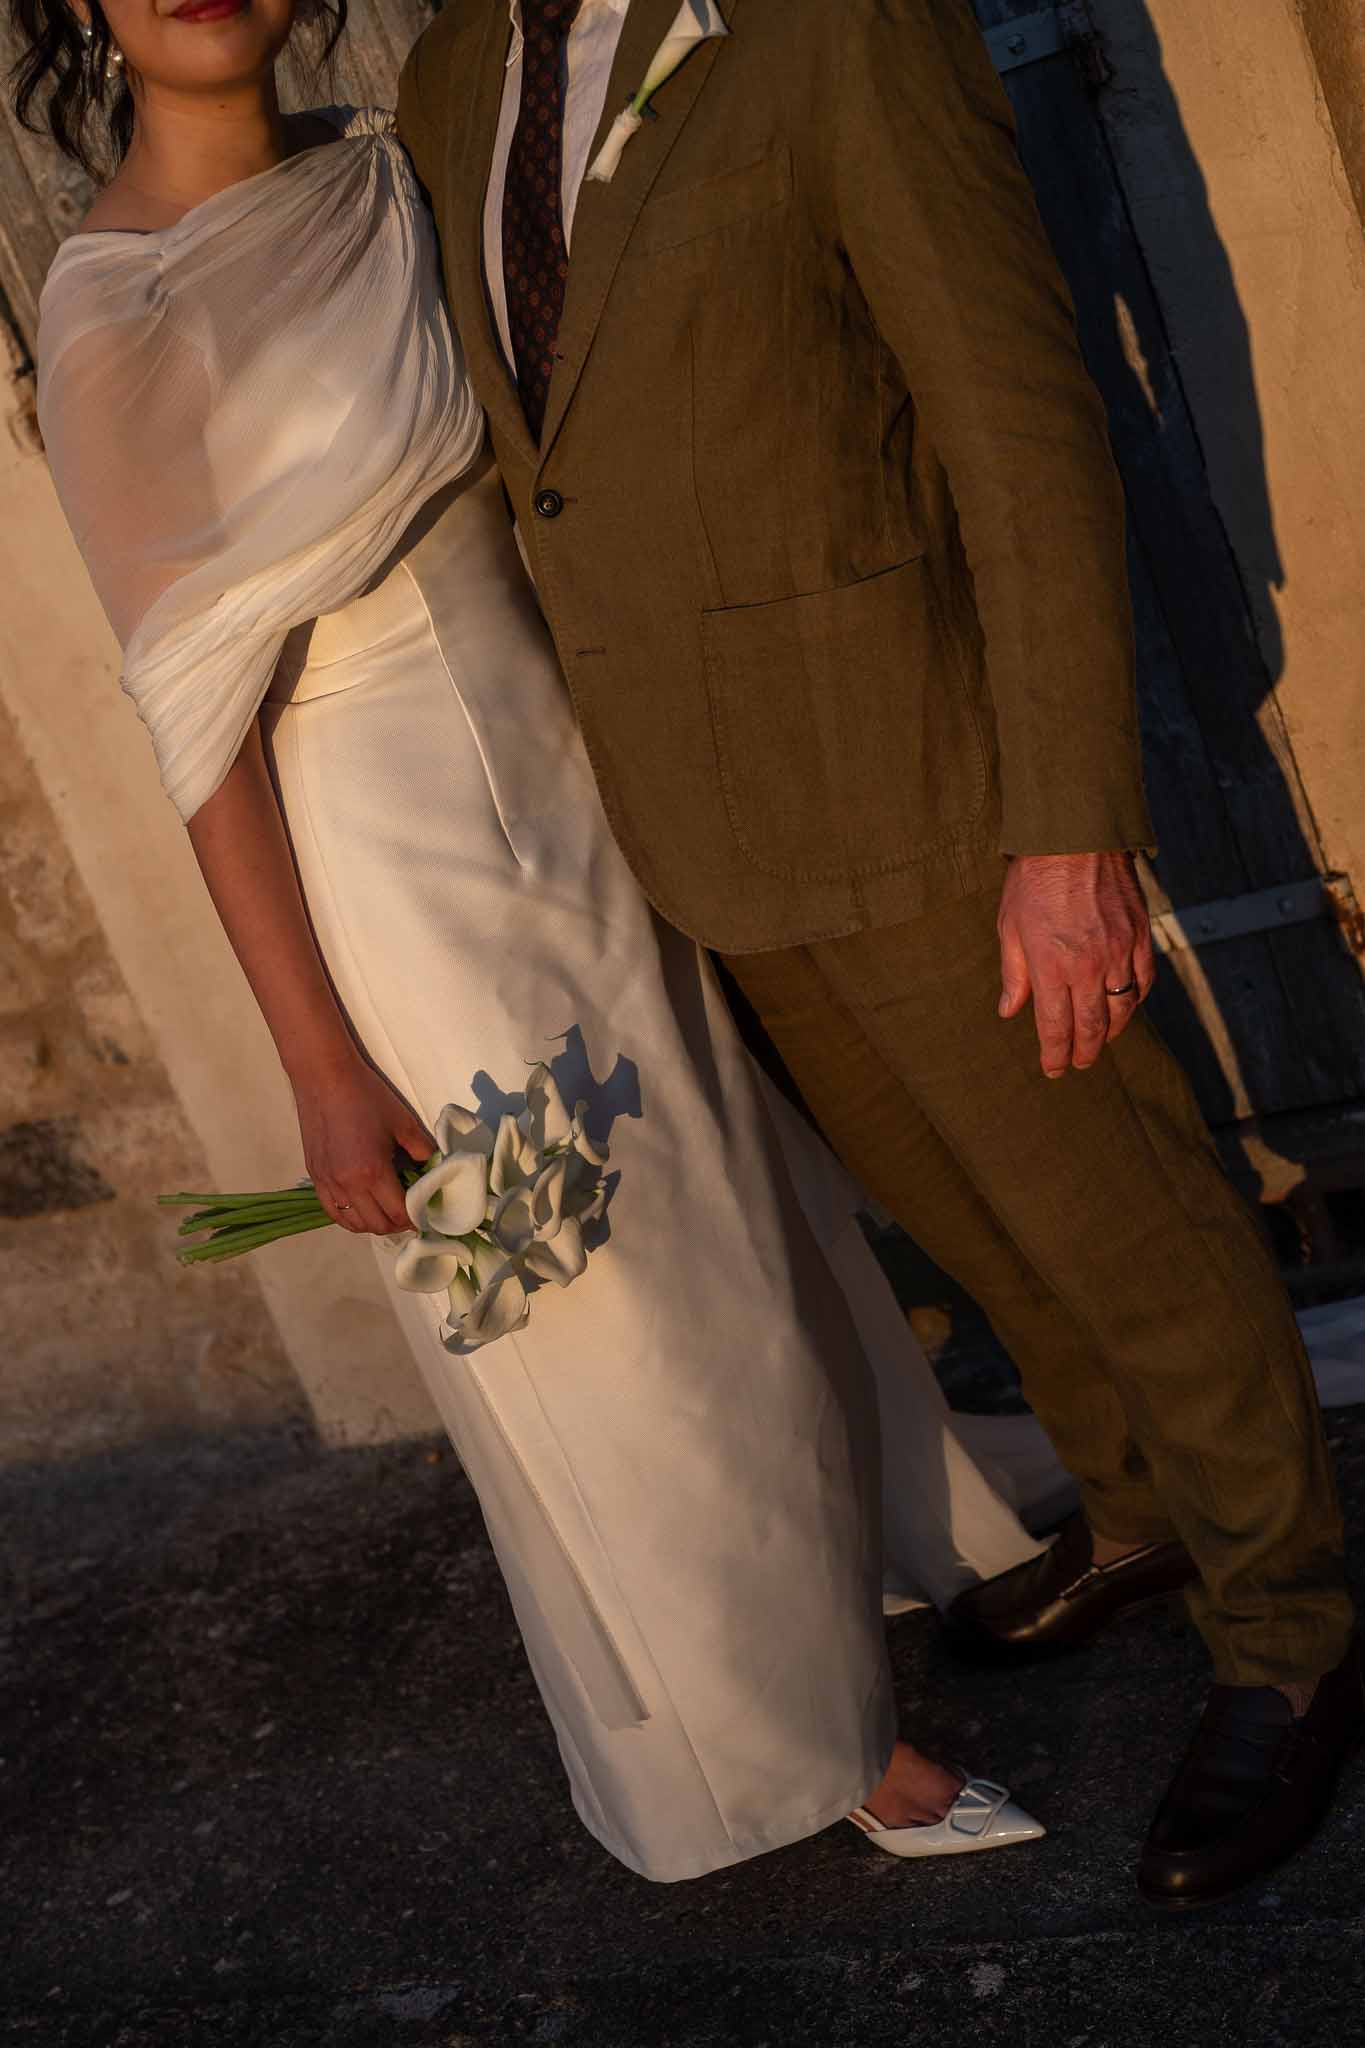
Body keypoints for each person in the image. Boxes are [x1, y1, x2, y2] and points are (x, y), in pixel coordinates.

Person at [21, 0, 1049, 1882]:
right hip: (403, 855)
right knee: (610, 1321)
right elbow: (203, 739)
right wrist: (322, 1062)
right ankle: (803, 1750)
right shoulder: (113, 310)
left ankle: (873, 1562)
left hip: (586, 786)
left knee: (747, 1232)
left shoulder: (383, 176)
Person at [395, 0, 1361, 1907]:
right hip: (693, 817)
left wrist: (1066, 826)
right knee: (967, 1220)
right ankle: (1142, 1512)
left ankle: (1293, 1633)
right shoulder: (448, 77)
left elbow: (1017, 424)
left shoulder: (828, 28)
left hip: (925, 775)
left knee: (1129, 1223)